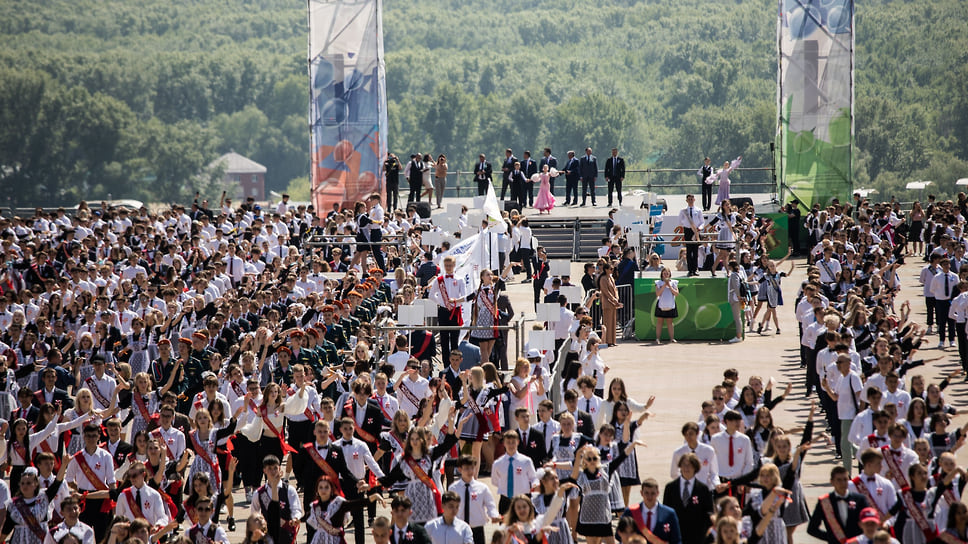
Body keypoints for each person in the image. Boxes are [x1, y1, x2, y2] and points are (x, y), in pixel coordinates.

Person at [807, 466, 868, 544]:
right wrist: (830, 538)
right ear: (832, 482)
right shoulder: (825, 502)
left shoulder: (860, 499)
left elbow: (868, 522)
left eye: (845, 479)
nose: (842, 483)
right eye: (839, 480)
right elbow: (811, 529)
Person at [662, 453, 713, 544]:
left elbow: (709, 511)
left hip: (697, 536)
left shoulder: (703, 489)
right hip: (676, 534)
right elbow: (665, 511)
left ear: (695, 468)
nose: (686, 468)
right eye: (684, 465)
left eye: (690, 465)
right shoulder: (670, 487)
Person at [449, 456, 500, 544]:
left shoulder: (482, 488)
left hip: (477, 527)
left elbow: (490, 504)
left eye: (472, 468)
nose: (470, 471)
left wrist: (494, 515)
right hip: (459, 528)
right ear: (460, 469)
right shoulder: (453, 488)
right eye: (467, 468)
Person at [618, 478, 682, 544]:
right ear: (641, 493)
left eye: (653, 493)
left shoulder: (669, 514)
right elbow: (619, 534)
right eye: (646, 493)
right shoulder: (630, 512)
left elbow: (676, 540)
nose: (649, 496)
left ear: (658, 493)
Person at [429, 256, 468, 356]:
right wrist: (441, 302)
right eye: (446, 265)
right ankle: (446, 365)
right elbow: (431, 295)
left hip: (455, 311)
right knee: (444, 340)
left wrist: (455, 302)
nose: (448, 267)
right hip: (443, 311)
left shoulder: (460, 279)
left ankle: (455, 365)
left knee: (455, 340)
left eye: (450, 265)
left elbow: (464, 296)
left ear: (454, 265)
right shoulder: (439, 279)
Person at [679, 195, 705, 277]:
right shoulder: (683, 211)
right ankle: (690, 270)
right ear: (686, 200)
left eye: (691, 199)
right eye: (689, 199)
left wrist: (699, 228)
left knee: (695, 250)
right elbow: (680, 221)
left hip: (696, 231)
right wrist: (687, 225)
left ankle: (695, 269)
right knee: (689, 251)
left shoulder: (698, 210)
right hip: (688, 231)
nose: (690, 200)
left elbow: (702, 222)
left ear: (694, 200)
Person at [599, 262, 622, 346]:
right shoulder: (603, 279)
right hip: (607, 302)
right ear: (606, 270)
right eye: (610, 269)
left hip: (613, 303)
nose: (612, 271)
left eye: (613, 269)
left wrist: (617, 298)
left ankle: (613, 340)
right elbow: (605, 291)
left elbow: (615, 289)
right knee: (607, 322)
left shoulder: (611, 278)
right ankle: (607, 341)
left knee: (613, 322)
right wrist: (613, 298)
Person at [654, 268, 680, 344]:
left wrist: (670, 286)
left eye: (667, 273)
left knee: (670, 322)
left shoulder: (674, 282)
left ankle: (672, 338)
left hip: (670, 304)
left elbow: (676, 293)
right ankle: (658, 339)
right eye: (664, 273)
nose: (666, 275)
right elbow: (658, 294)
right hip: (661, 304)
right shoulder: (658, 282)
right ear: (662, 274)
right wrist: (664, 285)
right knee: (659, 322)